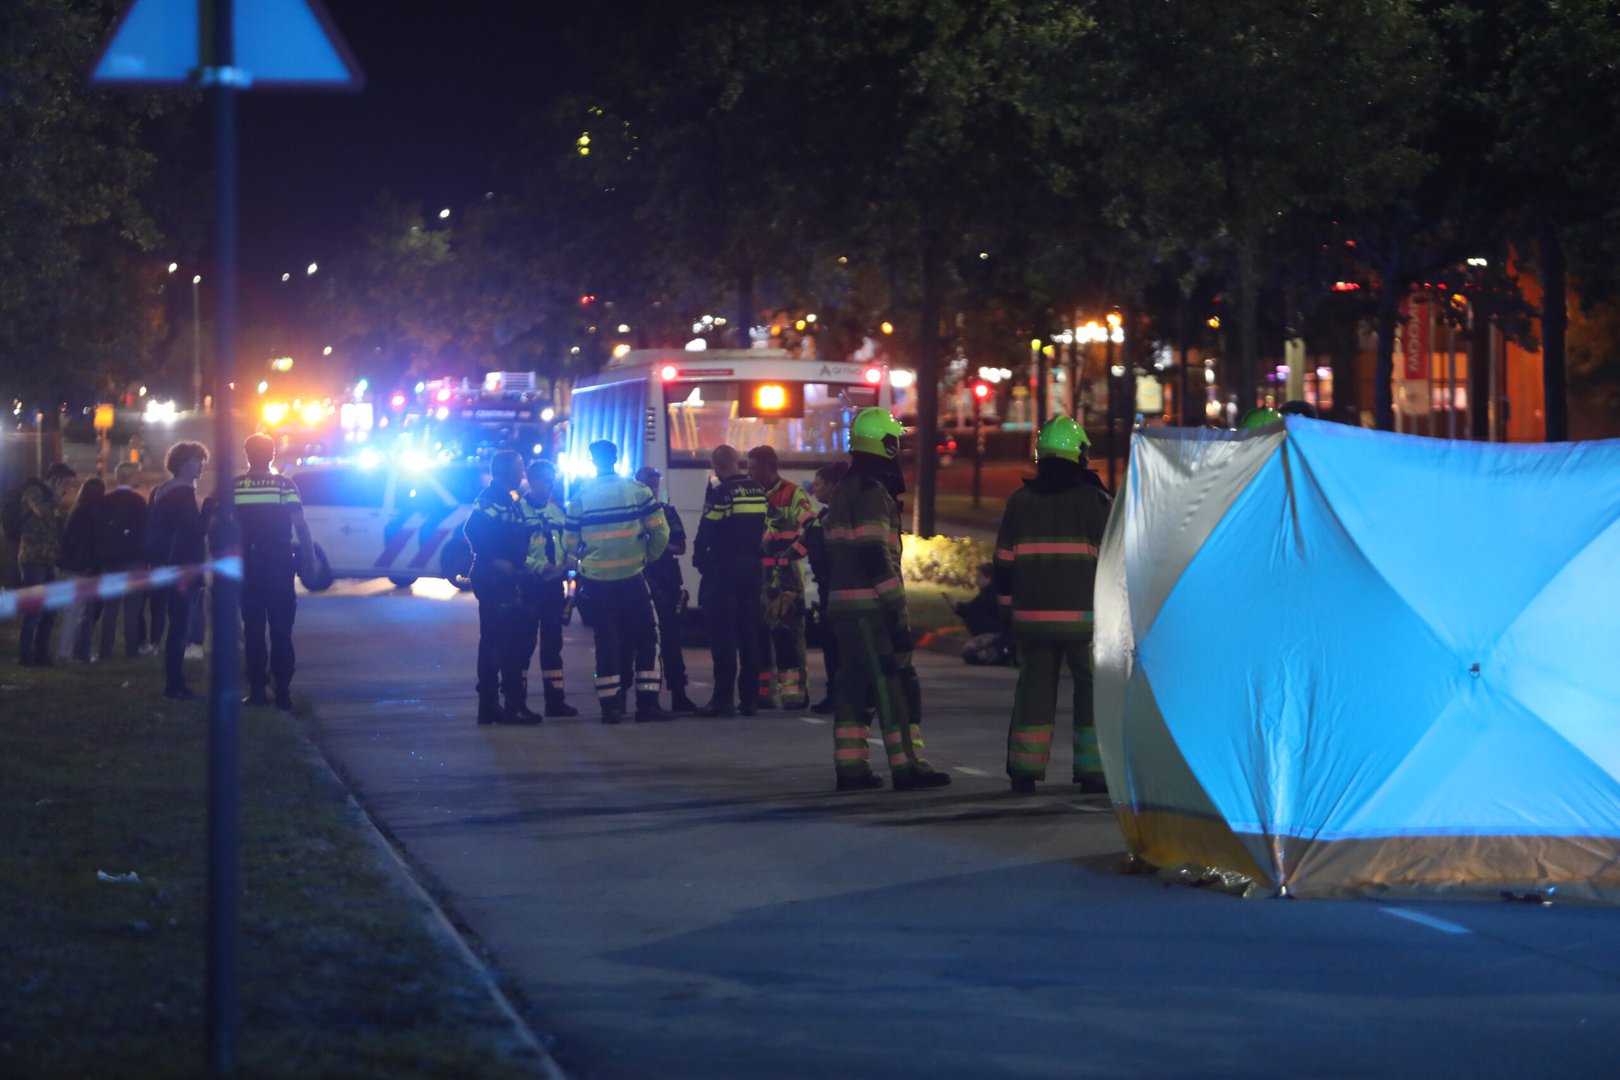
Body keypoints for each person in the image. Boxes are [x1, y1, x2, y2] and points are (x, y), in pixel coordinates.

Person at [824, 408, 949, 792]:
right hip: (870, 607)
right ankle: (908, 767)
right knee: (890, 682)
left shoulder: (846, 487)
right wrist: (895, 608)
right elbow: (874, 552)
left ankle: (851, 767)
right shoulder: (872, 492)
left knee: (852, 684)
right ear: (885, 444)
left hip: (844, 605)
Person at [996, 416, 1113, 795]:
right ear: (1079, 455)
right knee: (1092, 691)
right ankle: (1093, 771)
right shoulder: (1095, 501)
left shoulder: (1019, 502)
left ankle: (1023, 769)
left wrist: (1006, 611)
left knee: (1033, 689)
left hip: (1030, 621)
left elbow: (1003, 562)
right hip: (1085, 621)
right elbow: (1116, 559)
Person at [563, 440, 670, 723]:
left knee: (607, 642)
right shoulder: (637, 491)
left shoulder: (581, 497)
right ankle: (647, 705)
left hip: (597, 582)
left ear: (592, 460)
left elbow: (570, 544)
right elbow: (660, 532)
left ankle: (610, 707)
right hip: (632, 578)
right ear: (616, 458)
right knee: (647, 637)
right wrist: (648, 556)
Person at [234, 433, 315, 711]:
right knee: (282, 630)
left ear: (247, 455)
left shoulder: (235, 487)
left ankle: (257, 691)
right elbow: (300, 525)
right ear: (272, 455)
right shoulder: (284, 485)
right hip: (279, 567)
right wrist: (311, 559)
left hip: (247, 568)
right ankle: (282, 692)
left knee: (253, 630)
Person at [465, 450, 542, 725]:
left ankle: (493, 706)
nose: (522, 474)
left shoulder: (509, 498)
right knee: (503, 644)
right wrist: (494, 560)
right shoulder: (491, 499)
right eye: (518, 469)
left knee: (499, 643)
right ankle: (509, 706)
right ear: (504, 471)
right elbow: (473, 529)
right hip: (495, 579)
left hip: (505, 579)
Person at [691, 444, 767, 718]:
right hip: (752, 567)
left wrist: (700, 560)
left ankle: (723, 700)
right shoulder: (758, 490)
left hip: (724, 569)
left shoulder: (722, 492)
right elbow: (766, 527)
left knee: (723, 637)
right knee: (749, 636)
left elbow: (707, 529)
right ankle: (750, 700)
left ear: (718, 465)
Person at [747, 445, 816, 711]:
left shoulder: (792, 493)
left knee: (788, 636)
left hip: (786, 579)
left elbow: (811, 527)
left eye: (753, 470)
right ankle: (764, 694)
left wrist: (791, 555)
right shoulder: (751, 493)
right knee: (761, 636)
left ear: (768, 469)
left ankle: (794, 695)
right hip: (760, 578)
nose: (749, 475)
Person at [147, 441, 211, 699]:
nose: (201, 466)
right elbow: (196, 530)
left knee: (176, 624)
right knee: (180, 627)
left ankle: (175, 681)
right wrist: (208, 508)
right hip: (184, 566)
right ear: (184, 464)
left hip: (166, 564)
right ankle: (175, 685)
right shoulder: (183, 494)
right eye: (197, 461)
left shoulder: (161, 490)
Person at [635, 465, 698, 715]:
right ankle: (644, 699)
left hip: (666, 582)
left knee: (671, 641)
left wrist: (656, 544)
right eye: (648, 486)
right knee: (638, 642)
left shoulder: (667, 513)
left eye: (655, 486)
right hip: (640, 580)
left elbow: (680, 546)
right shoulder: (631, 513)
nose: (652, 491)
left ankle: (679, 695)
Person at [519, 458, 578, 718]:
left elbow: (566, 543)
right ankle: (517, 701)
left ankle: (555, 702)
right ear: (531, 481)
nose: (551, 485)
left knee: (553, 646)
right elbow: (513, 551)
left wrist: (569, 560)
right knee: (524, 643)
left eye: (553, 480)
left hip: (553, 586)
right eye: (546, 480)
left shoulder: (557, 512)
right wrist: (536, 566)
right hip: (529, 586)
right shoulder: (518, 512)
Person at [15, 462, 75, 666]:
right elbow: (44, 513)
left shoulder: (52, 498)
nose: (66, 487)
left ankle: (41, 654)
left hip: (47, 559)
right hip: (32, 558)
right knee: (34, 610)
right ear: (54, 479)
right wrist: (56, 497)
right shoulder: (34, 491)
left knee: (50, 609)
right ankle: (25, 656)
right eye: (65, 482)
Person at [803, 460, 847, 713]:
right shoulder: (825, 515)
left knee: (837, 646)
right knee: (832, 646)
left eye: (819, 484)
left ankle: (840, 695)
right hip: (827, 587)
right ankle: (837, 694)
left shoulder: (837, 517)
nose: (814, 488)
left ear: (832, 486)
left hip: (837, 588)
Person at [95, 461, 150, 660]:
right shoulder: (138, 501)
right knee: (132, 609)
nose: (141, 477)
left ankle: (105, 651)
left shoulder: (107, 500)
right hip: (133, 559)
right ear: (130, 476)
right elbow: (144, 531)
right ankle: (132, 650)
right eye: (138, 473)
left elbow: (99, 529)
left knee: (110, 607)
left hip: (111, 560)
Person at [56, 476, 105, 662]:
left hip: (73, 564)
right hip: (83, 566)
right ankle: (67, 652)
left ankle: (66, 650)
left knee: (73, 610)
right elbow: (92, 542)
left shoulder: (77, 510)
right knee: (78, 611)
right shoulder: (92, 512)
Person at [953, 561, 1014, 666]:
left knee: (970, 653)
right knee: (969, 652)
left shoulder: (993, 595)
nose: (977, 580)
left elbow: (972, 608)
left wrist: (958, 607)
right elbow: (970, 608)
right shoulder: (987, 593)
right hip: (989, 634)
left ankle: (1001, 656)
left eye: (979, 577)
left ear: (988, 577)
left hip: (998, 635)